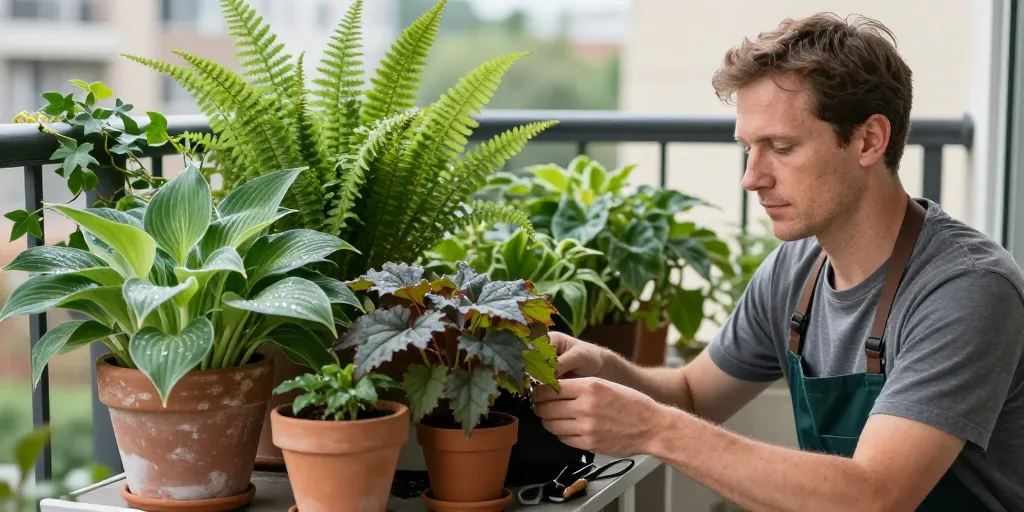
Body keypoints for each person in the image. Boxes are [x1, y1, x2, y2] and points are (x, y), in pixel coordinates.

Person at [531, 12, 1024, 512]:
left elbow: (876, 496)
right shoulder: (796, 269)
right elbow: (694, 395)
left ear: (869, 140)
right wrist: (603, 367)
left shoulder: (967, 289)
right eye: (748, 148)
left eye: (781, 148)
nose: (751, 178)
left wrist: (656, 429)